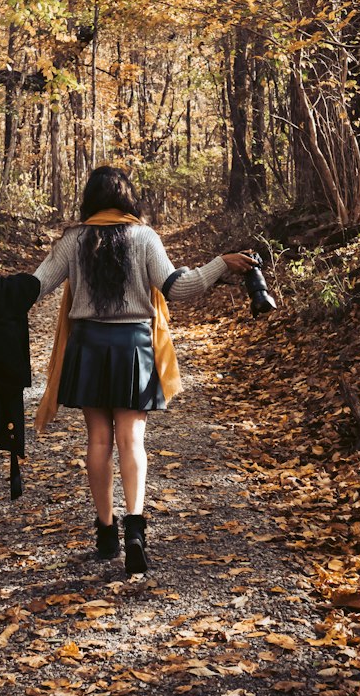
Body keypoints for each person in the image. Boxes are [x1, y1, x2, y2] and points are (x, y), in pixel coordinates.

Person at [32, 166, 255, 575]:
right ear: (128, 198)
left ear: (90, 200)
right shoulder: (144, 237)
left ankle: (105, 535)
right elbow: (179, 289)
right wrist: (220, 263)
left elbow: (36, 286)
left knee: (98, 441)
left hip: (87, 346)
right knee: (132, 438)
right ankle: (135, 528)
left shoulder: (73, 240)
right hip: (133, 346)